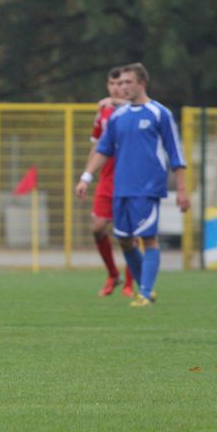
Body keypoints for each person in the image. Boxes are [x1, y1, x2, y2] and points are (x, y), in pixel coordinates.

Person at [75, 62, 189, 307]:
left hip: (148, 188)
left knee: (148, 239)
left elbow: (176, 153)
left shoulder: (160, 113)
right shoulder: (118, 116)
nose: (123, 87)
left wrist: (181, 189)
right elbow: (103, 149)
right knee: (125, 240)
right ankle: (143, 286)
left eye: (128, 82)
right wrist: (86, 177)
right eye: (120, 83)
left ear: (142, 83)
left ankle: (145, 293)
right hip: (121, 187)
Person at [83, 67, 135, 297]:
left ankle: (129, 284)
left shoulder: (136, 108)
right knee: (97, 227)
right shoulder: (102, 111)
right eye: (113, 84)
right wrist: (86, 175)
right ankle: (113, 274)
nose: (118, 88)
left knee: (128, 234)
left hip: (131, 176)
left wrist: (115, 102)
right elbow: (97, 145)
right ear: (108, 85)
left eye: (122, 83)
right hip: (107, 177)